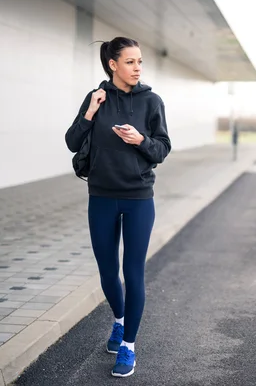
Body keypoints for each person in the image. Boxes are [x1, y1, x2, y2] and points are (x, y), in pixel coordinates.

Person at [64, 36, 171, 378]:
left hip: (139, 197)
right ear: (113, 65)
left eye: (140, 61)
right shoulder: (95, 98)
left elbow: (163, 149)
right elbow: (71, 142)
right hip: (101, 196)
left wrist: (141, 140)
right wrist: (91, 111)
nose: (137, 67)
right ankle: (120, 320)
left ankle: (128, 345)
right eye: (130, 61)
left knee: (133, 272)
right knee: (108, 272)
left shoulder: (151, 101)